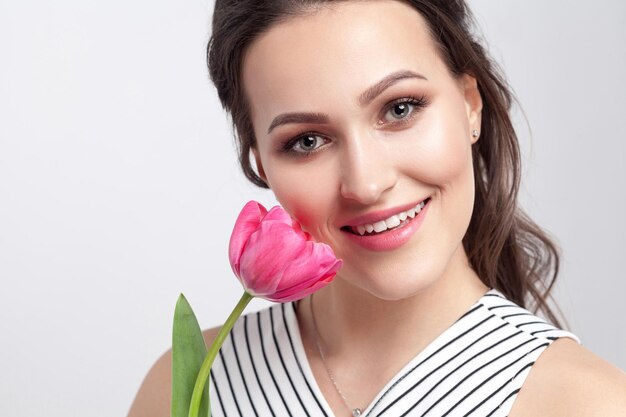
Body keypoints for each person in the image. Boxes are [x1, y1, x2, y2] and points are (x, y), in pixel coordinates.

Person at [128, 1, 626, 416]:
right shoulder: (190, 384)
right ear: (260, 162)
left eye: (400, 108)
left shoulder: (586, 403)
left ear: (470, 104)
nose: (366, 184)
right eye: (306, 141)